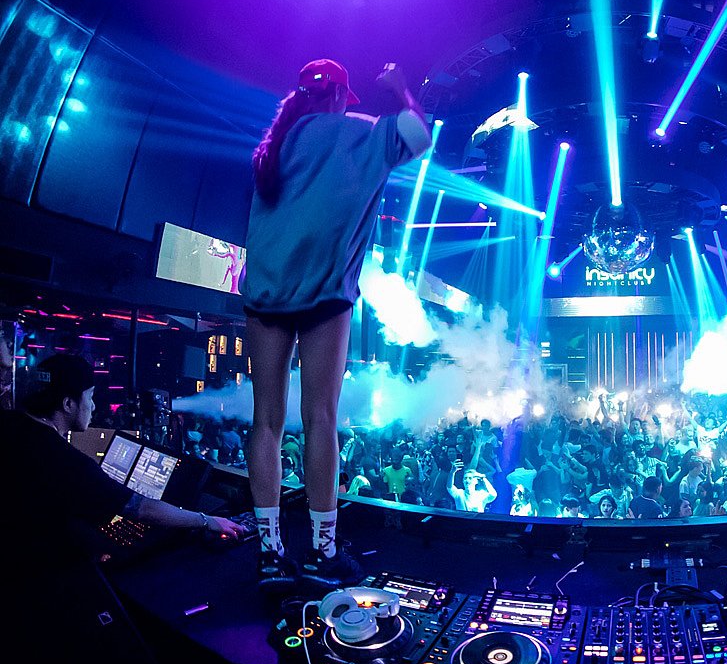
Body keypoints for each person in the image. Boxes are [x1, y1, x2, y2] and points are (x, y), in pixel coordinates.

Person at [243, 59, 431, 591]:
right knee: (320, 418)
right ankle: (322, 553)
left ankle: (270, 553)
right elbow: (418, 134)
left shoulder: (275, 145)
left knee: (266, 422)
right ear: (342, 96)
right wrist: (399, 88)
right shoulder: (358, 132)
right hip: (323, 294)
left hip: (264, 294)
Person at [8, 355, 243, 566]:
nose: (93, 406)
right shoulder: (65, 461)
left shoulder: (11, 422)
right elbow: (142, 508)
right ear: (68, 404)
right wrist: (206, 520)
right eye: (90, 397)